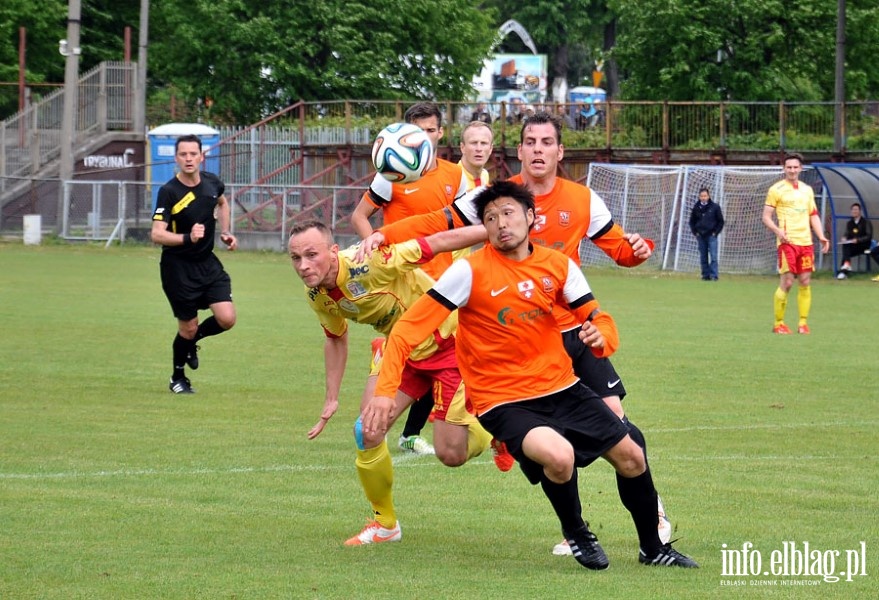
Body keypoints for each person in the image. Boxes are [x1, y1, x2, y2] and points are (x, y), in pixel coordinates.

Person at [356, 111, 672, 556]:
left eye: (547, 142)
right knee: (556, 450)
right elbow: (436, 223)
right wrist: (383, 234)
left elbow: (619, 250)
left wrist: (639, 251)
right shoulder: (496, 200)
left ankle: (651, 523)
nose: (538, 149)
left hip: (574, 332)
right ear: (519, 151)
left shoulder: (582, 200)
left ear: (560, 152)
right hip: (517, 344)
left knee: (621, 433)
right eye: (530, 142)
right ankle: (574, 530)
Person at [288, 220, 496, 546]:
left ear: (332, 251)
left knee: (451, 454)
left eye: (311, 255)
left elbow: (438, 241)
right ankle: (385, 525)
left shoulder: (369, 261)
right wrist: (331, 398)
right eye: (296, 258)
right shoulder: (315, 294)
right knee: (367, 430)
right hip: (399, 351)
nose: (303, 265)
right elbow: (335, 338)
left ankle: (496, 426)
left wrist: (496, 231)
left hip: (450, 343)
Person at [351, 102, 470, 455]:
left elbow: (463, 225)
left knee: (440, 355)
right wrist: (372, 244)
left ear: (439, 133)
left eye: (430, 131)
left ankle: (415, 431)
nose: (424, 138)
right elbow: (360, 216)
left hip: (443, 286)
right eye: (417, 132)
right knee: (366, 427)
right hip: (401, 283)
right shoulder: (390, 172)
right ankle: (384, 357)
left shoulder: (455, 176)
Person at [150, 134, 238, 394]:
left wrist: (225, 231)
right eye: (183, 154)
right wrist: (188, 237)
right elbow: (156, 234)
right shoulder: (169, 191)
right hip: (178, 268)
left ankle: (192, 342)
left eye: (193, 154)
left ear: (202, 156)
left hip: (207, 264)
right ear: (176, 158)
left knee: (227, 318)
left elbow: (222, 203)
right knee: (186, 327)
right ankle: (178, 377)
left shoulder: (212, 183)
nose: (188, 159)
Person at [762, 153, 830, 334]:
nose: (792, 170)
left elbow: (813, 215)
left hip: (806, 243)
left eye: (795, 167)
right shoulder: (776, 189)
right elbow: (766, 217)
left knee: (805, 281)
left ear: (800, 168)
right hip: (787, 242)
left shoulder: (807, 190)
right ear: (784, 169)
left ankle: (803, 323)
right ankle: (778, 324)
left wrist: (821, 236)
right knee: (788, 282)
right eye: (789, 167)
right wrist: (778, 231)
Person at [689, 187, 725, 280]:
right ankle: (705, 275)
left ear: (709, 196)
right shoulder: (696, 207)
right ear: (699, 197)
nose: (703, 197)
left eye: (705, 196)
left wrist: (715, 233)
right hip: (701, 236)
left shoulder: (715, 207)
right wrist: (695, 232)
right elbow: (692, 221)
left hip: (711, 236)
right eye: (702, 196)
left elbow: (720, 221)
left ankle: (714, 276)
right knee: (703, 257)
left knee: (713, 256)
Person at [836, 202, 873, 279]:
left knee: (846, 251)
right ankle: (846, 267)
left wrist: (858, 240)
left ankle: (843, 271)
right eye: (853, 210)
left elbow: (868, 236)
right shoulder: (849, 223)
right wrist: (844, 238)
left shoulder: (866, 222)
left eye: (856, 209)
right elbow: (846, 233)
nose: (854, 211)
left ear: (860, 211)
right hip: (853, 246)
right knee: (846, 247)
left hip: (864, 246)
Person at [458, 121, 493, 190]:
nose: (479, 149)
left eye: (483, 143)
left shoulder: (484, 175)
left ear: (490, 149)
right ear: (462, 147)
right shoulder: (452, 178)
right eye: (473, 143)